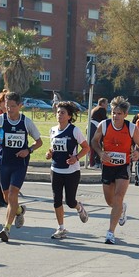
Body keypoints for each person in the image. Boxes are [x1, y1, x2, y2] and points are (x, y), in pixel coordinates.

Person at [0, 91, 43, 242]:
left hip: (19, 163)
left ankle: (6, 229)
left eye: (13, 106)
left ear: (20, 106)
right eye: (7, 106)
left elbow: (39, 142)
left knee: (13, 194)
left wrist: (28, 150)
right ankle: (19, 210)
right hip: (4, 162)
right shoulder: (0, 119)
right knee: (7, 198)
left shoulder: (26, 122)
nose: (10, 109)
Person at [91, 96, 139, 245]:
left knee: (118, 197)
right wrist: (101, 153)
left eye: (119, 113)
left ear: (125, 115)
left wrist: (138, 153)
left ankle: (110, 233)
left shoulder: (131, 128)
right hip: (108, 167)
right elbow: (94, 141)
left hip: (123, 167)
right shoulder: (104, 125)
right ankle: (121, 209)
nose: (115, 116)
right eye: (113, 112)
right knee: (110, 201)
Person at [46, 101, 90, 239]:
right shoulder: (53, 130)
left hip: (71, 171)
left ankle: (79, 207)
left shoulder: (74, 130)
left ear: (69, 116)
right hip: (56, 169)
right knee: (56, 200)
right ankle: (61, 228)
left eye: (63, 113)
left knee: (70, 202)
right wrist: (50, 154)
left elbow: (86, 148)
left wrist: (76, 158)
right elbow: (53, 148)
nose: (59, 115)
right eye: (58, 112)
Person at [89, 98, 108, 168]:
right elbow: (105, 120)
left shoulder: (94, 109)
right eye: (106, 103)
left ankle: (92, 162)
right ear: (102, 103)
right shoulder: (101, 109)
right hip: (95, 127)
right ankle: (95, 162)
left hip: (90, 127)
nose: (107, 105)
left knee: (92, 145)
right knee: (96, 144)